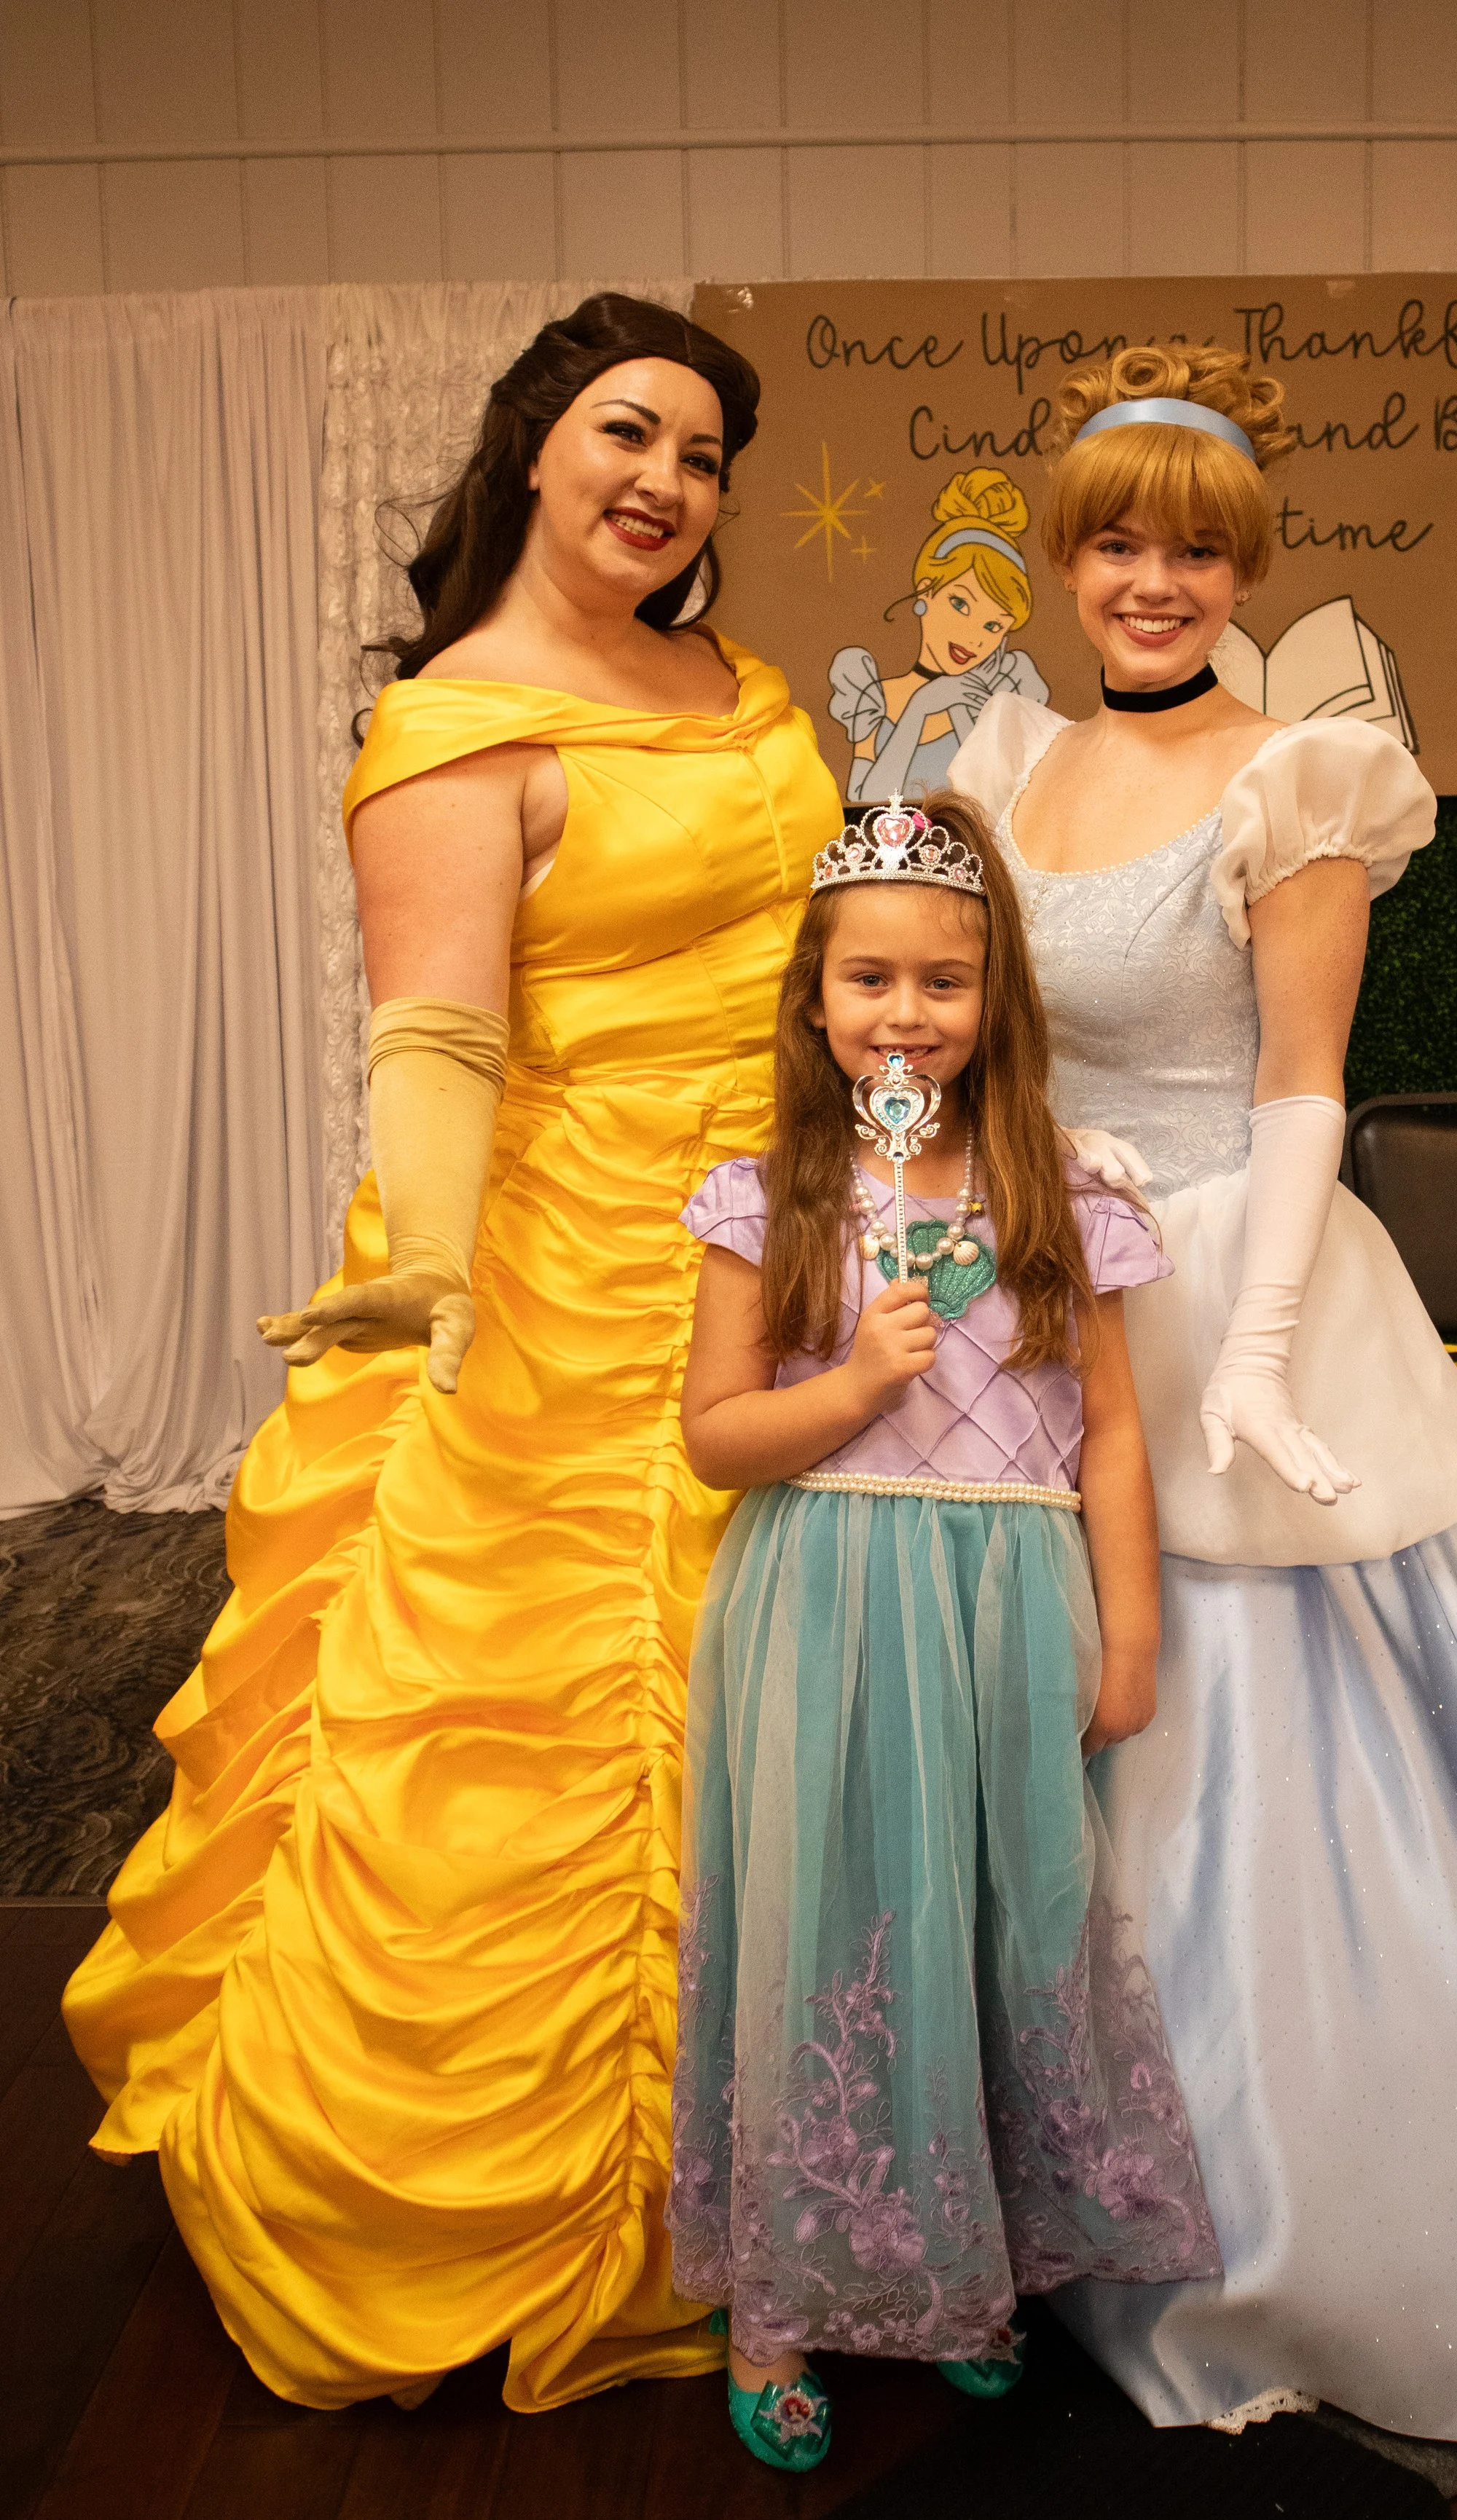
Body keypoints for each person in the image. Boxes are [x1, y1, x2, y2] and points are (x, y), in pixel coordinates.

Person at [62, 294, 843, 2413]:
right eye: (625, 431)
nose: (662, 482)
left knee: (800, 1721)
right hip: (557, 1290)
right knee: (539, 1748)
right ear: (528, 444)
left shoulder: (730, 681)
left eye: (696, 453)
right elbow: (433, 1038)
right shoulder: (457, 728)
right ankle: (524, 2207)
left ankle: (808, 2187)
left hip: (788, 1255)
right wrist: (422, 1278)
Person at [951, 345, 1457, 2448]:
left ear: (1238, 567)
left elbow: (1302, 1082)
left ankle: (1305, 2236)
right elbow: (933, 1013)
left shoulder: (1301, 773)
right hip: (1035, 1297)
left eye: (1191, 548)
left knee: (1250, 1764)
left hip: (1228, 1287)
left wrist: (1261, 1356)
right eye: (1114, 539)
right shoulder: (997, 759)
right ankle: (1025, 2211)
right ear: (1064, 555)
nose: (1149, 580)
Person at [665, 792, 1219, 2472]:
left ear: (998, 1003)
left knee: (992, 1936)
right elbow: (712, 1436)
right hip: (826, 1608)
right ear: (815, 1001)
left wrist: (1126, 1640)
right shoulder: (771, 1197)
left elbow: (1109, 1432)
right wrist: (847, 1383)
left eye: (944, 984)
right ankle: (778, 2298)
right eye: (871, 981)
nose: (906, 1014)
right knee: (824, 1939)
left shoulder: (1055, 1189)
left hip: (1005, 1609)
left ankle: (960, 2279)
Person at [830, 467, 1049, 802]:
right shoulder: (874, 698)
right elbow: (866, 804)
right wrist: (920, 707)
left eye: (993, 626)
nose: (975, 639)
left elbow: (999, 809)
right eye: (961, 603)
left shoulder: (999, 707)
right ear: (925, 593)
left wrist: (963, 705)